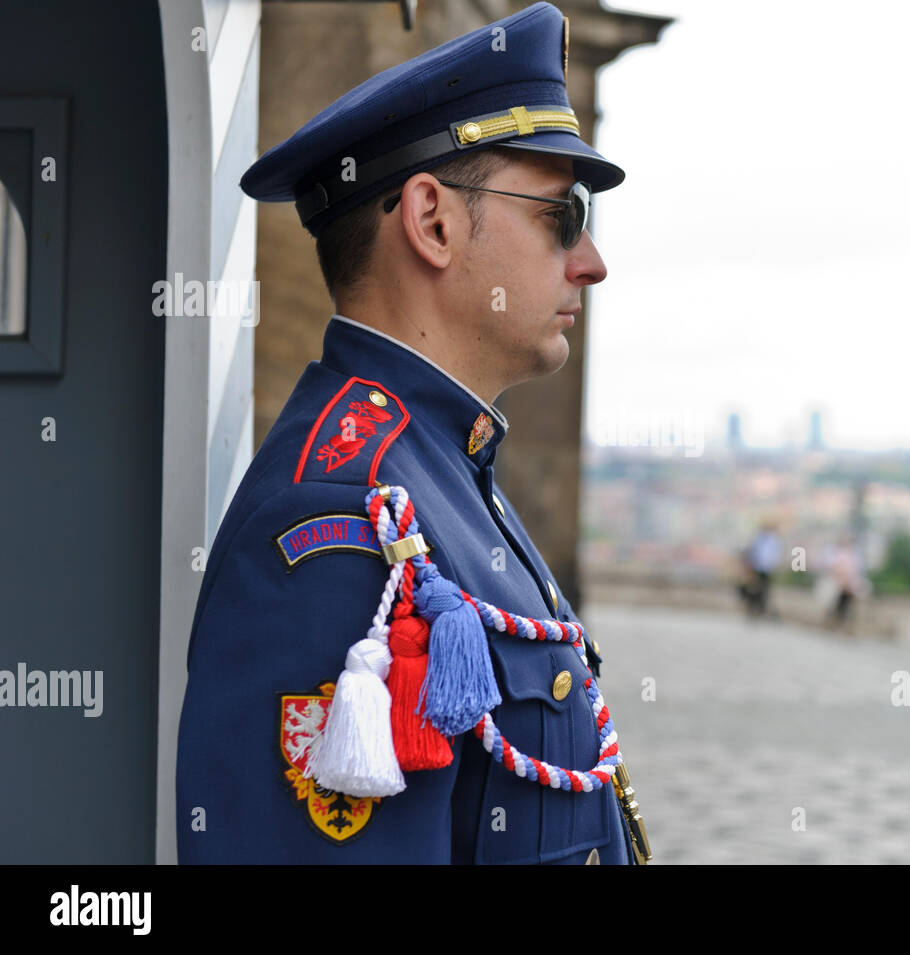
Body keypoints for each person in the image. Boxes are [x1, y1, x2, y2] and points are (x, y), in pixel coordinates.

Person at [175, 3, 647, 864]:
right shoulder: (344, 523)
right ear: (431, 221)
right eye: (561, 213)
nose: (591, 260)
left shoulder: (443, 469)